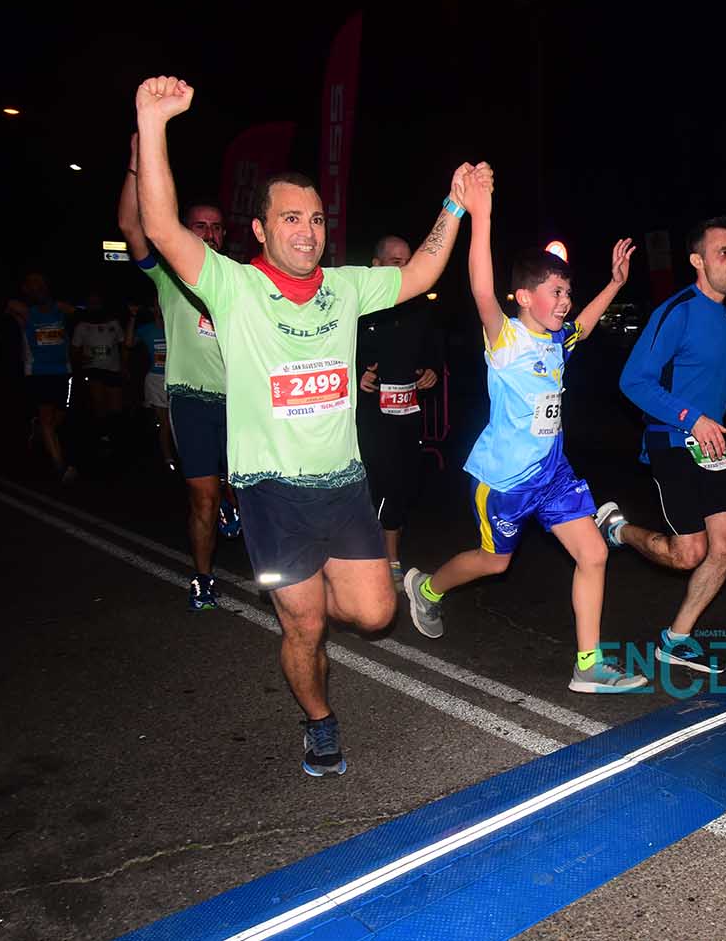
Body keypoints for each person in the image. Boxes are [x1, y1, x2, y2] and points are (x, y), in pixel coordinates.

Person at [134, 74, 481, 776]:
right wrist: (153, 122)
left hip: (344, 486)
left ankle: (310, 594)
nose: (308, 231)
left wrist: (455, 204)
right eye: (291, 219)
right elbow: (163, 228)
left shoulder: (346, 288)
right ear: (261, 230)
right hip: (271, 491)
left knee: (376, 615)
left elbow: (419, 272)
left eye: (317, 219)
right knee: (305, 625)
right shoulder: (233, 285)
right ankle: (319, 721)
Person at [402, 191, 647, 694]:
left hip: (553, 474)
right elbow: (481, 289)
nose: (565, 300)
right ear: (524, 297)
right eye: (555, 291)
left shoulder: (557, 340)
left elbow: (584, 326)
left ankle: (588, 665)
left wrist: (615, 284)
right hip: (505, 482)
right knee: (495, 561)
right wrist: (482, 213)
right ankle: (426, 588)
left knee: (593, 554)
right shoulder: (507, 341)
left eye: (567, 291)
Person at [597, 217, 726, 675]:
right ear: (697, 260)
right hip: (672, 439)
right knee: (689, 553)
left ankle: (676, 639)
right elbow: (633, 381)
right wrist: (691, 418)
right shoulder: (677, 310)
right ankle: (617, 529)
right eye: (723, 253)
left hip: (712, 446)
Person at [118, 135, 239, 610]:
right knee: (201, 497)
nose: (208, 234)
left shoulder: (238, 278)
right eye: (199, 226)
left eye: (216, 227)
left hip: (240, 401)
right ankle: (203, 577)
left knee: (248, 490)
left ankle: (233, 500)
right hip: (191, 399)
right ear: (184, 231)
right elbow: (130, 225)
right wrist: (136, 165)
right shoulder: (168, 275)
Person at [356, 235, 441, 587]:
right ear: (376, 266)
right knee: (377, 482)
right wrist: (356, 374)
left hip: (407, 414)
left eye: (408, 261)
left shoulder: (419, 308)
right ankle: (380, 557)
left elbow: (434, 351)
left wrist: (431, 371)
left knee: (403, 483)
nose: (404, 268)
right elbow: (332, 349)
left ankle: (388, 555)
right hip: (369, 415)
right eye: (395, 261)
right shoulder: (360, 308)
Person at [13, 272, 77, 483]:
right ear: (26, 289)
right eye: (33, 283)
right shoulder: (24, 312)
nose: (37, 286)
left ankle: (40, 430)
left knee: (60, 416)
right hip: (38, 371)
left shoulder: (59, 309)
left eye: (40, 283)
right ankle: (60, 466)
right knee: (47, 418)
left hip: (63, 370)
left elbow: (80, 313)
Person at [70, 290, 126, 453]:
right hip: (93, 370)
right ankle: (103, 436)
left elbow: (124, 345)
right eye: (91, 303)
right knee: (99, 404)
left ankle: (117, 437)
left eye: (97, 302)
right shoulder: (82, 326)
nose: (94, 306)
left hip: (113, 369)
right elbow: (74, 349)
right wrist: (79, 361)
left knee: (116, 407)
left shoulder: (114, 323)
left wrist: (125, 366)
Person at [125, 301, 175, 472]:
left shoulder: (175, 326)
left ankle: (167, 447)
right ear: (153, 310)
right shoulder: (147, 329)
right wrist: (133, 317)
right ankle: (167, 457)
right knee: (165, 421)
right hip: (156, 379)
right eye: (157, 306)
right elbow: (128, 343)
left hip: (175, 379)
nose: (160, 309)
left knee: (173, 420)